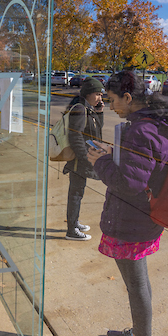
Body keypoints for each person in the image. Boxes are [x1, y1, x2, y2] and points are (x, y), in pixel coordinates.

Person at [87, 70, 168, 336]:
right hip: (145, 215)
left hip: (132, 219)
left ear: (127, 97)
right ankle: (141, 333)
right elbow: (144, 168)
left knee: (136, 286)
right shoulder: (156, 122)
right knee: (140, 283)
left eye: (112, 100)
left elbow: (128, 184)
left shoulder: (140, 130)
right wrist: (116, 156)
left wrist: (100, 161)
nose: (109, 106)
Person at [62, 77, 105, 241]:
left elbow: (96, 131)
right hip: (78, 159)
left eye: (101, 94)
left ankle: (74, 223)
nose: (100, 98)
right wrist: (84, 157)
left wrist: (99, 113)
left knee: (77, 192)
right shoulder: (80, 109)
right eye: (97, 94)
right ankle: (71, 230)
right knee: (76, 193)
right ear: (88, 94)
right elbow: (75, 136)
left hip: (81, 158)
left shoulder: (87, 107)